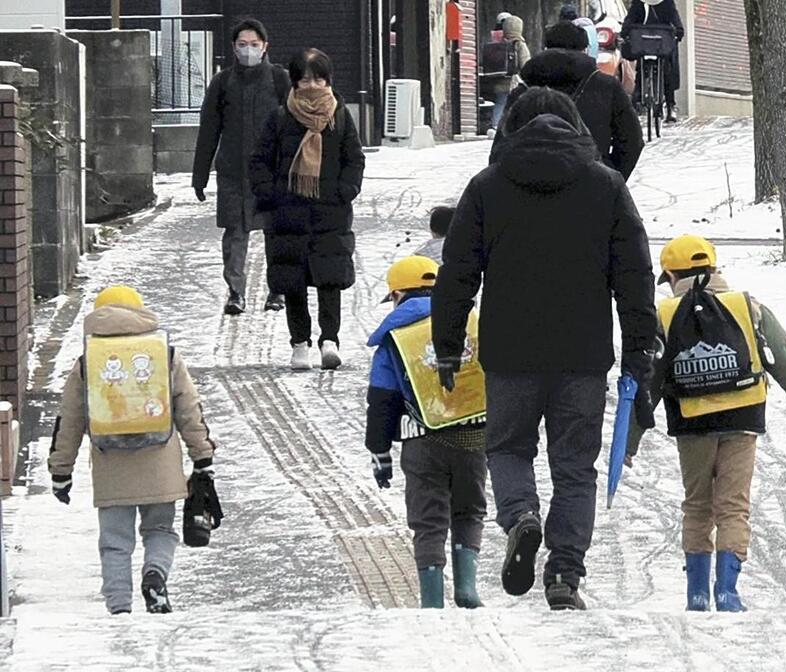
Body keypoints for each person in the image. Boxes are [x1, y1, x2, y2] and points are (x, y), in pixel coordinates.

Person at [432, 88, 657, 611]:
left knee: (508, 448)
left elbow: (456, 274)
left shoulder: (488, 188)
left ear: (510, 127)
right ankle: (564, 573)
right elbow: (635, 276)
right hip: (583, 354)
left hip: (510, 352)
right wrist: (639, 349)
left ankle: (521, 516)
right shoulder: (606, 186)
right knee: (575, 466)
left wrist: (447, 346)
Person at [626, 236, 786, 612]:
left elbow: (650, 381)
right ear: (713, 268)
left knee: (697, 505)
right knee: (733, 506)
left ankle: (696, 593)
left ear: (672, 275)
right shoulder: (748, 306)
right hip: (743, 418)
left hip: (692, 424)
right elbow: (785, 358)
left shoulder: (663, 316)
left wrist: (630, 441)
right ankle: (727, 591)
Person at [48, 286, 217, 615]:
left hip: (111, 466)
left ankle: (119, 607)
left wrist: (61, 471)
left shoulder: (87, 362)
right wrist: (202, 454)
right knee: (159, 530)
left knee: (114, 543)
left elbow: (69, 421)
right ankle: (155, 574)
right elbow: (189, 409)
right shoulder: (164, 354)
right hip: (160, 463)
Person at [366, 256, 487, 609]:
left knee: (428, 520)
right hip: (473, 433)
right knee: (469, 510)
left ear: (399, 293)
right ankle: (467, 587)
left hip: (421, 439)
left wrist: (380, 450)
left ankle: (432, 599)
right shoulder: (472, 321)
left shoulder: (395, 338)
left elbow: (382, 398)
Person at [250, 48, 366, 371]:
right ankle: (299, 343)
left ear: (328, 80)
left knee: (330, 279)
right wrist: (271, 195)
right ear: (294, 81)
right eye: (304, 78)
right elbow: (259, 161)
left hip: (331, 211)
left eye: (318, 77)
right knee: (293, 279)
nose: (311, 84)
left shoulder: (340, 116)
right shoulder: (280, 117)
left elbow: (354, 158)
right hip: (288, 213)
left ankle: (330, 340)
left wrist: (346, 190)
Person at [192, 18, 291, 316]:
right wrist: (200, 175)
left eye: (254, 44)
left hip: (272, 172)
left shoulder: (279, 79)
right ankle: (236, 292)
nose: (248, 50)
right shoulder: (222, 82)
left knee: (277, 231)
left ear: (265, 47)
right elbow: (209, 128)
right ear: (234, 48)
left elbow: (294, 126)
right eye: (242, 44)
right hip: (233, 171)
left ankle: (277, 291)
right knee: (234, 233)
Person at [492, 21, 644, 181]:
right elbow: (632, 141)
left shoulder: (524, 89)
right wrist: (610, 177)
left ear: (545, 49)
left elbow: (500, 148)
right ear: (585, 50)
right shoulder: (607, 86)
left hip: (527, 191)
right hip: (591, 188)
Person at [622, 0, 685, 123]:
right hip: (645, 43)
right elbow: (630, 18)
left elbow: (674, 16)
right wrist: (625, 31)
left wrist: (679, 30)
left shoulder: (667, 2)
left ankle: (670, 104)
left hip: (661, 43)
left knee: (667, 69)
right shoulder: (638, 3)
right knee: (642, 68)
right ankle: (639, 100)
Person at [486, 14, 532, 131]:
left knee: (500, 102)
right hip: (514, 80)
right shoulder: (519, 44)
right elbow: (525, 64)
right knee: (516, 103)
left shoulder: (497, 42)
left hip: (498, 78)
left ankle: (495, 124)